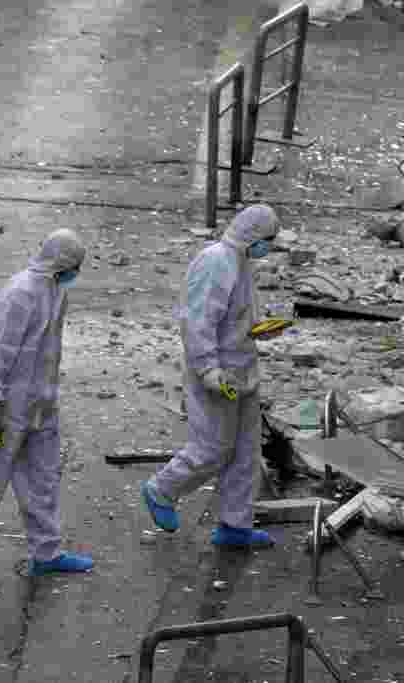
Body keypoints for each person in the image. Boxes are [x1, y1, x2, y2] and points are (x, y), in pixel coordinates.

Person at [0, 229, 94, 577]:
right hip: (8, 406)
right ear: (61, 262)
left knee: (42, 480)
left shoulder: (55, 291)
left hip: (40, 404)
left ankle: (47, 551)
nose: (76, 272)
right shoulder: (21, 293)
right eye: (74, 265)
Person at [141, 204, 284, 547]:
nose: (269, 247)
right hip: (217, 373)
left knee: (245, 452)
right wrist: (207, 368)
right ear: (253, 236)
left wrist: (261, 330)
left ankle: (235, 524)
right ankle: (163, 488)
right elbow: (197, 320)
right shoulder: (216, 261)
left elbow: (235, 319)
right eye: (268, 240)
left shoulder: (242, 263)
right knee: (212, 448)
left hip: (241, 371)